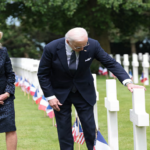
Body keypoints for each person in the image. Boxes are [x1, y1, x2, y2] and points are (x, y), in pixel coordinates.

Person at [37, 27, 145, 150]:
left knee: (89, 128)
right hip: (59, 94)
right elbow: (43, 74)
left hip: (84, 92)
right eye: (79, 47)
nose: (83, 49)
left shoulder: (93, 44)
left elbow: (110, 63)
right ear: (68, 42)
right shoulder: (51, 48)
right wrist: (50, 96)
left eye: (85, 45)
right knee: (64, 130)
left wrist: (128, 82)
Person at [0, 31, 17, 150]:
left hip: (5, 96)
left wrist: (6, 94)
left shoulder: (3, 52)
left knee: (10, 128)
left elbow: (10, 75)